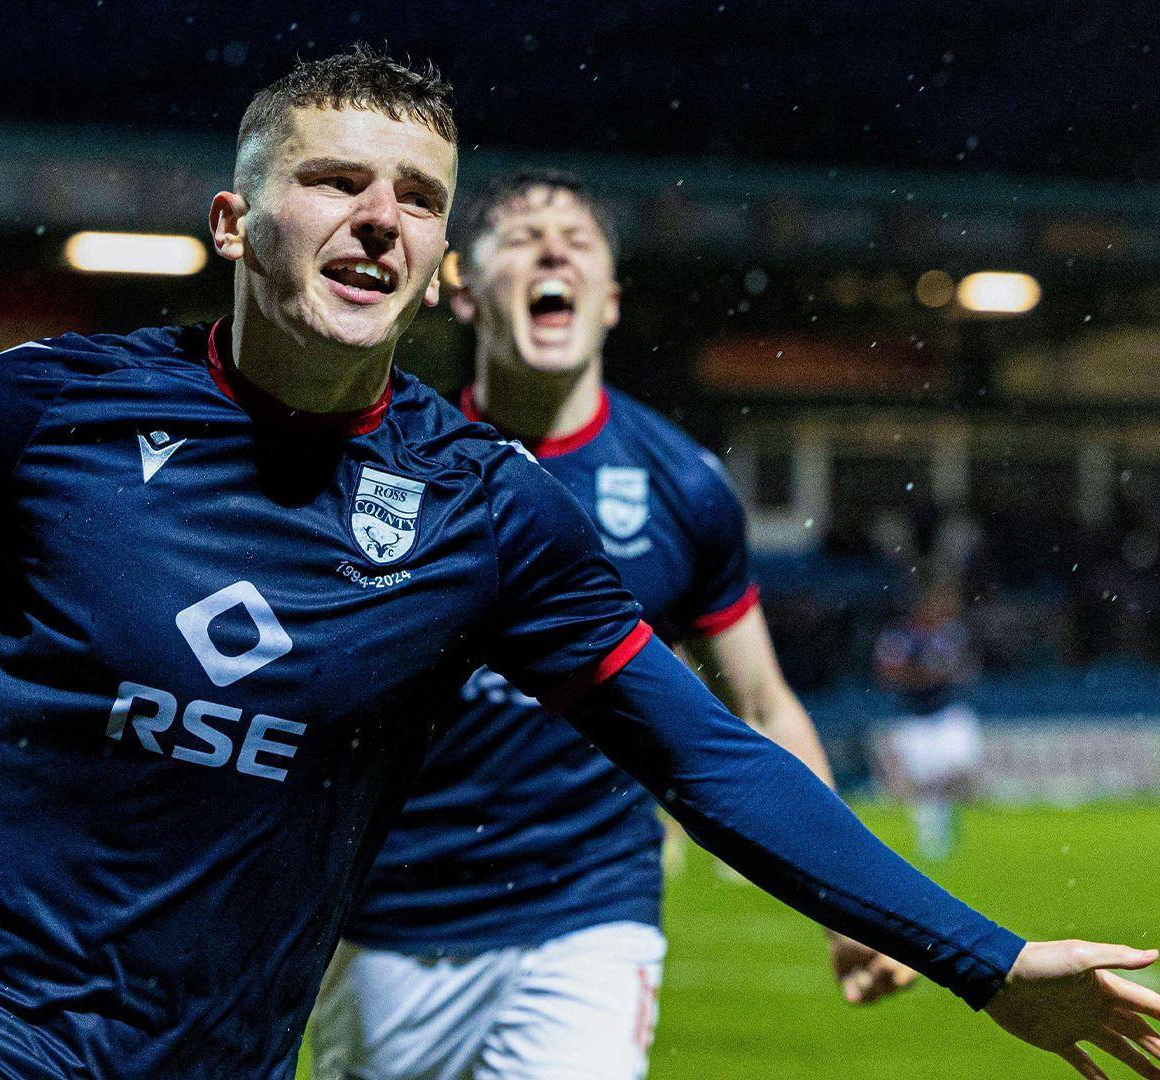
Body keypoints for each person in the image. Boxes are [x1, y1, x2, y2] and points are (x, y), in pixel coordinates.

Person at [0, 47, 1159, 1080]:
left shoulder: (495, 513)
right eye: (340, 178)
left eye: (417, 198)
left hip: (221, 1050)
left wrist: (983, 965)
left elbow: (710, 752)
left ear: (436, 265)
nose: (381, 217)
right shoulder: (46, 410)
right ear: (239, 219)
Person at [313, 172, 914, 1080]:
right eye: (521, 236)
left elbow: (763, 705)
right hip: (389, 923)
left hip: (591, 913)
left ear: (611, 303)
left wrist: (851, 905)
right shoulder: (377, 464)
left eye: (579, 239)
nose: (553, 249)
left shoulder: (685, 485)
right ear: (464, 289)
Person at [875, 582, 983, 861]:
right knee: (920, 781)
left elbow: (964, 669)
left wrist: (926, 673)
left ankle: (944, 815)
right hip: (914, 716)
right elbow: (888, 673)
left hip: (946, 712)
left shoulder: (950, 635)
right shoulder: (899, 638)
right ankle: (932, 830)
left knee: (962, 768)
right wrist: (926, 673)